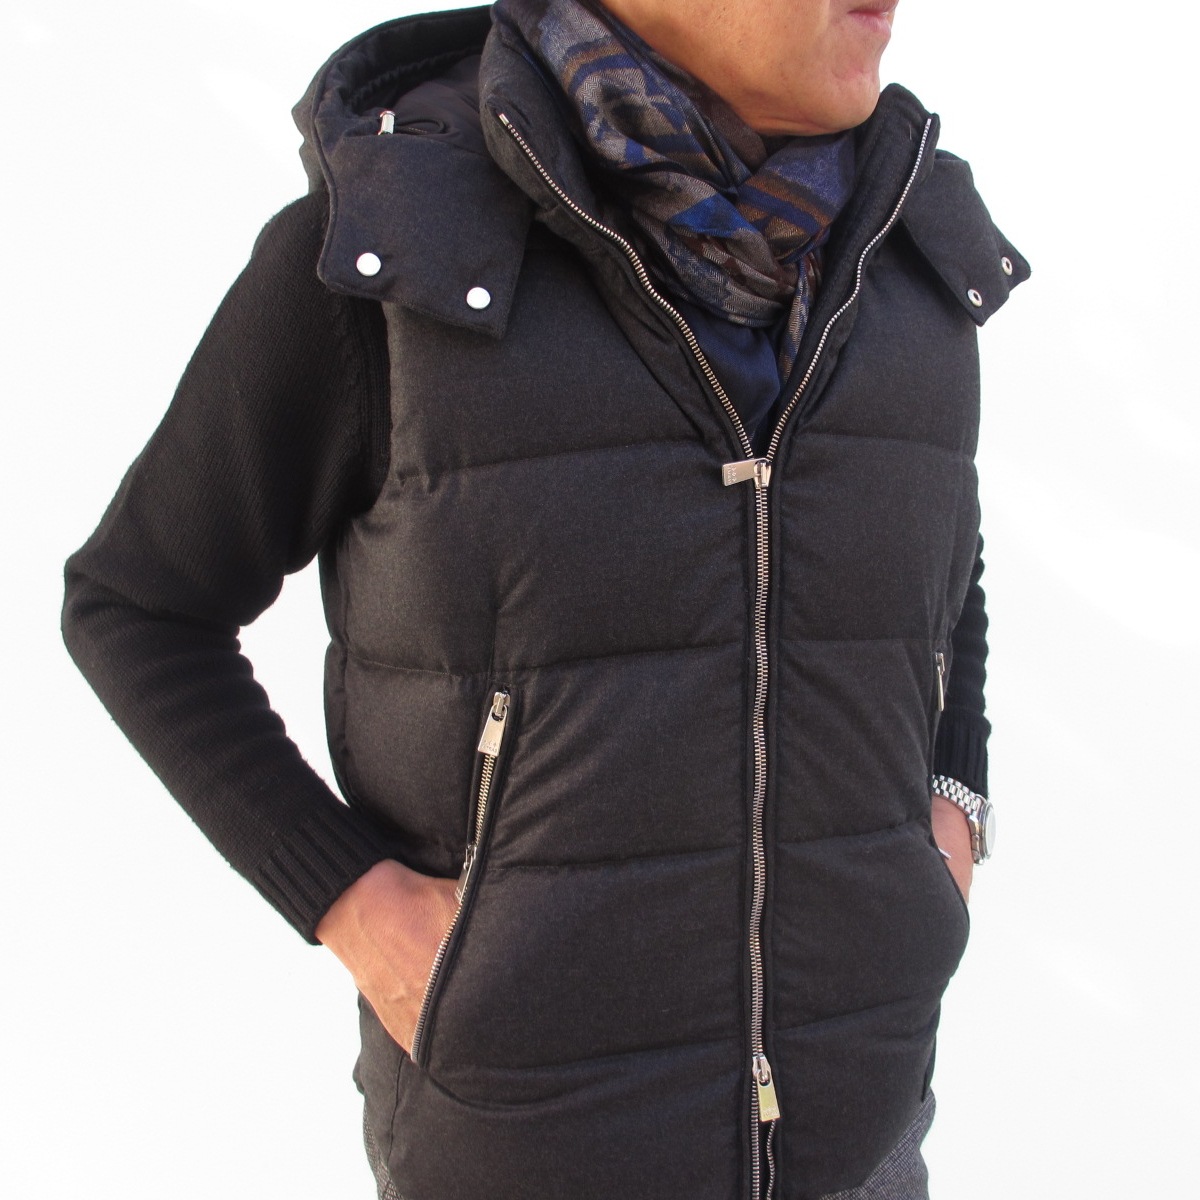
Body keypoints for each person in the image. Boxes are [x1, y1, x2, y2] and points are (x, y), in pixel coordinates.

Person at [61, 1, 1026, 1196]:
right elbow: (139, 604)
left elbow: (941, 561)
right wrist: (349, 897)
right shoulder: (405, 241)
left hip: (860, 1136)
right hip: (526, 1148)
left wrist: (954, 801)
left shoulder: (906, 245)